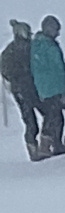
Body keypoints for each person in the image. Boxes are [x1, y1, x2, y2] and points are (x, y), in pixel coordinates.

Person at [28, 16, 65, 157]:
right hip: (57, 88)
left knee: (55, 118)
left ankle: (56, 145)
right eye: (56, 29)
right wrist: (64, 91)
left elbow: (37, 70)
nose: (58, 33)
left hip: (45, 90)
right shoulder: (49, 46)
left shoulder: (36, 46)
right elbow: (58, 70)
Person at [1, 20, 38, 158]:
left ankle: (36, 147)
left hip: (24, 89)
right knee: (33, 122)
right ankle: (35, 148)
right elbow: (5, 70)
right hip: (26, 89)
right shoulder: (23, 48)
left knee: (32, 121)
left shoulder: (11, 50)